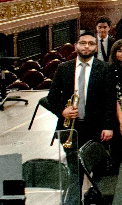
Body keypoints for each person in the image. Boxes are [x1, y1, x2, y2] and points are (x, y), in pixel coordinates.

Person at [47, 32, 116, 191]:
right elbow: (52, 97)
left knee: (98, 170)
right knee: (74, 170)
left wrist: (108, 126)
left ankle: (96, 204)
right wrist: (63, 111)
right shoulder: (63, 68)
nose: (86, 46)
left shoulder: (105, 68)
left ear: (95, 47)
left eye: (91, 44)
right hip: (71, 127)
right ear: (76, 46)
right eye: (83, 43)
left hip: (97, 128)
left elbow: (109, 101)